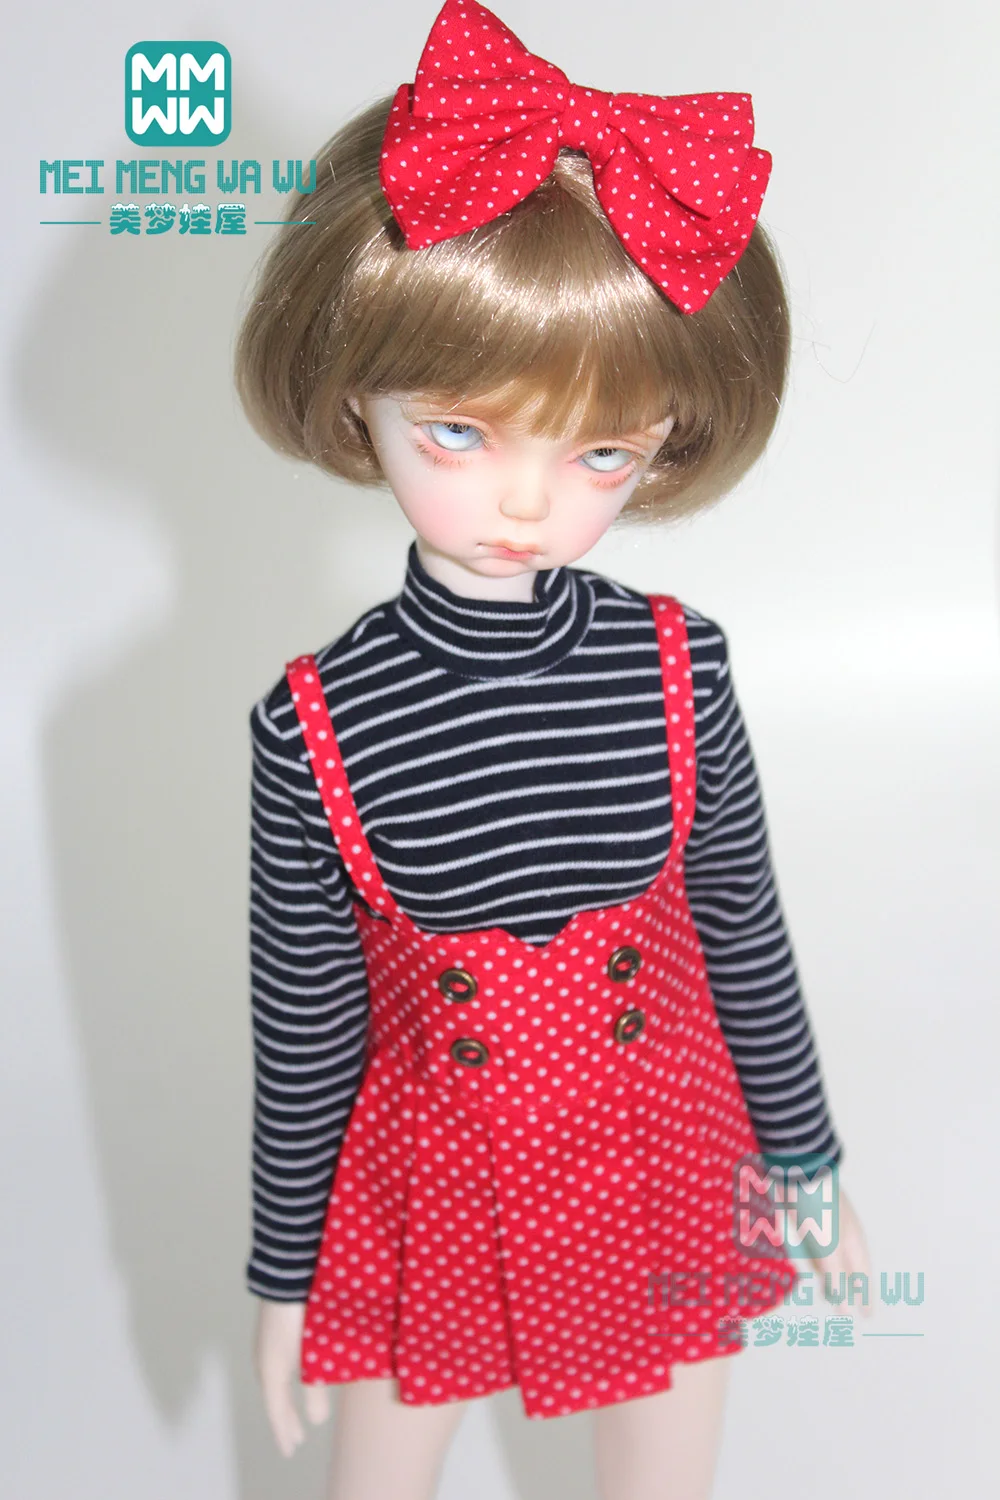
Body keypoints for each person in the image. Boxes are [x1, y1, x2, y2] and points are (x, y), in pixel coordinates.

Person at [233, 4, 871, 1497]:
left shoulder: (677, 668)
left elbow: (739, 924)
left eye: (599, 454)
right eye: (459, 432)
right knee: (382, 1468)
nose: (527, 503)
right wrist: (285, 1269)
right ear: (355, 395)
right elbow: (306, 1023)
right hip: (432, 1177)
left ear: (661, 446)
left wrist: (803, 1152)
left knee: (666, 1463)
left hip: (668, 1145)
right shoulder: (315, 727)